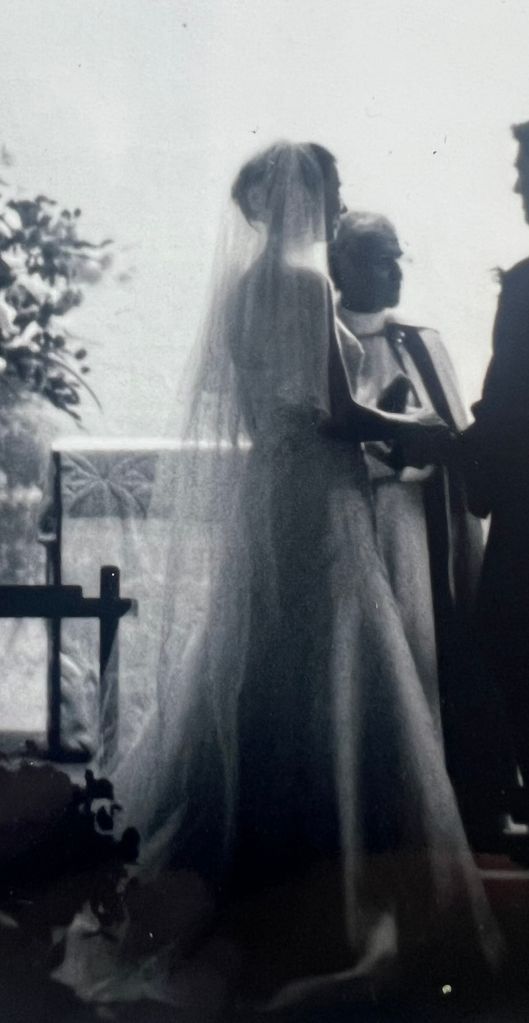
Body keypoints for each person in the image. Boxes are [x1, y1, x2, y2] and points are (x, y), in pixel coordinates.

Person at [88, 142, 500, 1011]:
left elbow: (256, 409)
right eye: (335, 187)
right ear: (305, 200)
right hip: (323, 498)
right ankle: (343, 882)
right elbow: (340, 412)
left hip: (267, 496)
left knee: (270, 656)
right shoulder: (309, 287)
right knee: (343, 664)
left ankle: (252, 867)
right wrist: (416, 429)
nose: (341, 198)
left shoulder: (240, 292)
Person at [329, 212, 513, 834]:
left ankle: (466, 796)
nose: (395, 271)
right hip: (373, 522)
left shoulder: (421, 340)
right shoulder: (327, 339)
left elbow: (458, 431)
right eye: (380, 258)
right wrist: (398, 446)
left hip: (432, 520)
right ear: (341, 265)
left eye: (399, 257)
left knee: (448, 645)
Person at [461, 120, 529, 792]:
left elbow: (505, 396)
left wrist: (466, 458)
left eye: (523, 167)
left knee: (503, 636)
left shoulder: (524, 284)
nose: (516, 183)